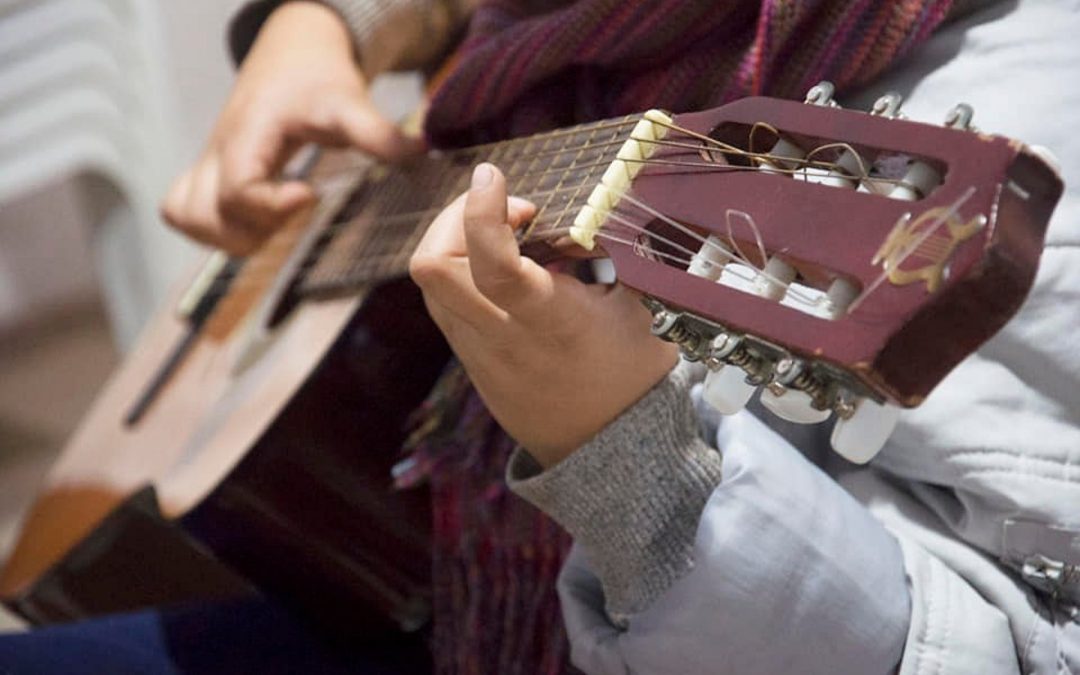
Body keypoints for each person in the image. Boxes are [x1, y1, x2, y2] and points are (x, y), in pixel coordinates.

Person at [2, 1, 1076, 673]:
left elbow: (1006, 648)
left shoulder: (1020, 115)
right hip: (431, 561)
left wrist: (630, 455)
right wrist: (322, 28)